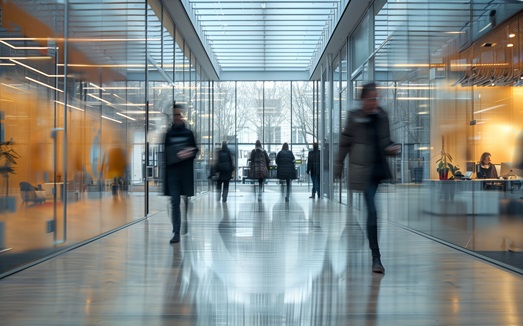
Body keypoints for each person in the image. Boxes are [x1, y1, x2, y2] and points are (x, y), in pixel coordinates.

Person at [334, 82, 400, 274]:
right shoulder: (355, 118)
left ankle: (376, 256)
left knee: (373, 212)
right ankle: (376, 257)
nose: (374, 102)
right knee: (372, 211)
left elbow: (386, 141)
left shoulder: (382, 115)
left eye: (376, 98)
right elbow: (344, 143)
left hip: (379, 169)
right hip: (363, 171)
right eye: (371, 98)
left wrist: (392, 149)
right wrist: (338, 167)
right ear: (362, 99)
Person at [163, 104, 198, 244]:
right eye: (175, 115)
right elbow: (165, 153)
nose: (176, 117)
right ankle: (176, 231)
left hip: (185, 172)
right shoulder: (169, 134)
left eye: (179, 115)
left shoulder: (188, 133)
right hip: (173, 173)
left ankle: (185, 220)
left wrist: (188, 152)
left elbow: (195, 150)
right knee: (175, 202)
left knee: (185, 199)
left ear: (182, 116)